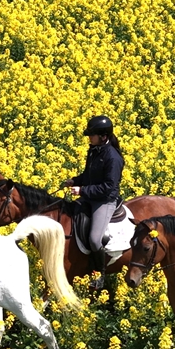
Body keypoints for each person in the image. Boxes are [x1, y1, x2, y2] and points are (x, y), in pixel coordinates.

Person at [64, 115, 125, 290]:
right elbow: (89, 176)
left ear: (103, 136)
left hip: (105, 201)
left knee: (94, 239)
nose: (89, 138)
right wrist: (75, 181)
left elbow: (108, 186)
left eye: (92, 135)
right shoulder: (94, 150)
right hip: (90, 197)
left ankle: (100, 274)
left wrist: (82, 190)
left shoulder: (113, 158)